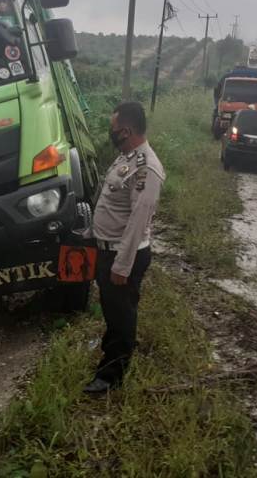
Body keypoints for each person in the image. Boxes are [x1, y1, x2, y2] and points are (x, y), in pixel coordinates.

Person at [83, 101, 165, 394]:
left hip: (123, 253)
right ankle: (111, 351)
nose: (111, 133)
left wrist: (122, 265)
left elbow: (138, 222)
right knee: (112, 309)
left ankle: (111, 377)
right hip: (108, 249)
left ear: (126, 131)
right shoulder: (126, 158)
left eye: (113, 129)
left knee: (122, 314)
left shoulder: (147, 169)